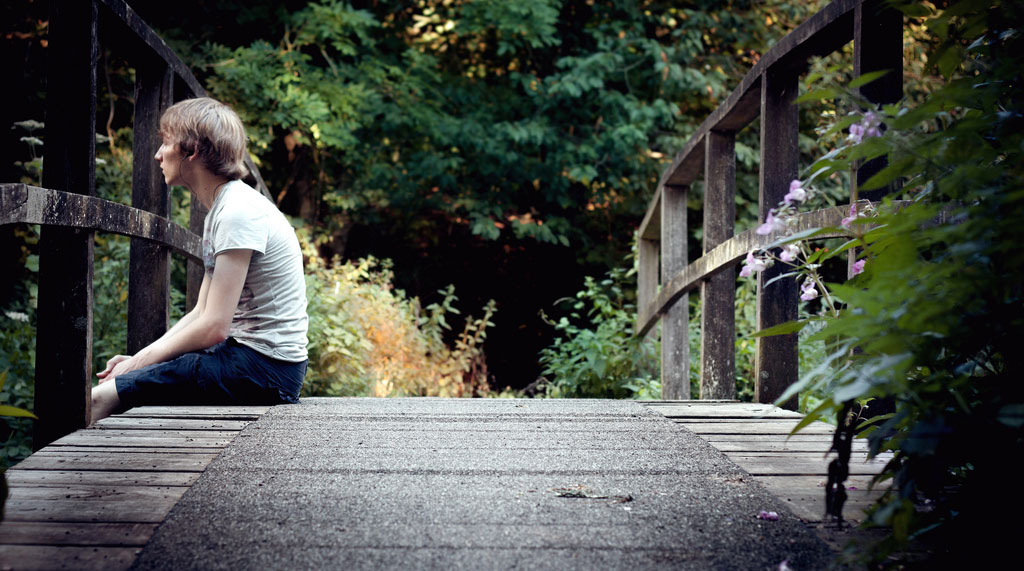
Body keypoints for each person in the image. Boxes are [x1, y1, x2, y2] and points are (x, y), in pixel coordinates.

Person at [90, 97, 308, 423]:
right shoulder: (223, 209)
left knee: (102, 396)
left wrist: (136, 366)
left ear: (191, 150)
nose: (158, 154)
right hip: (251, 360)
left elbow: (214, 327)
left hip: (268, 370)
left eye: (166, 143)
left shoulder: (238, 213)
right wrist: (141, 358)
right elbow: (201, 313)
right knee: (123, 384)